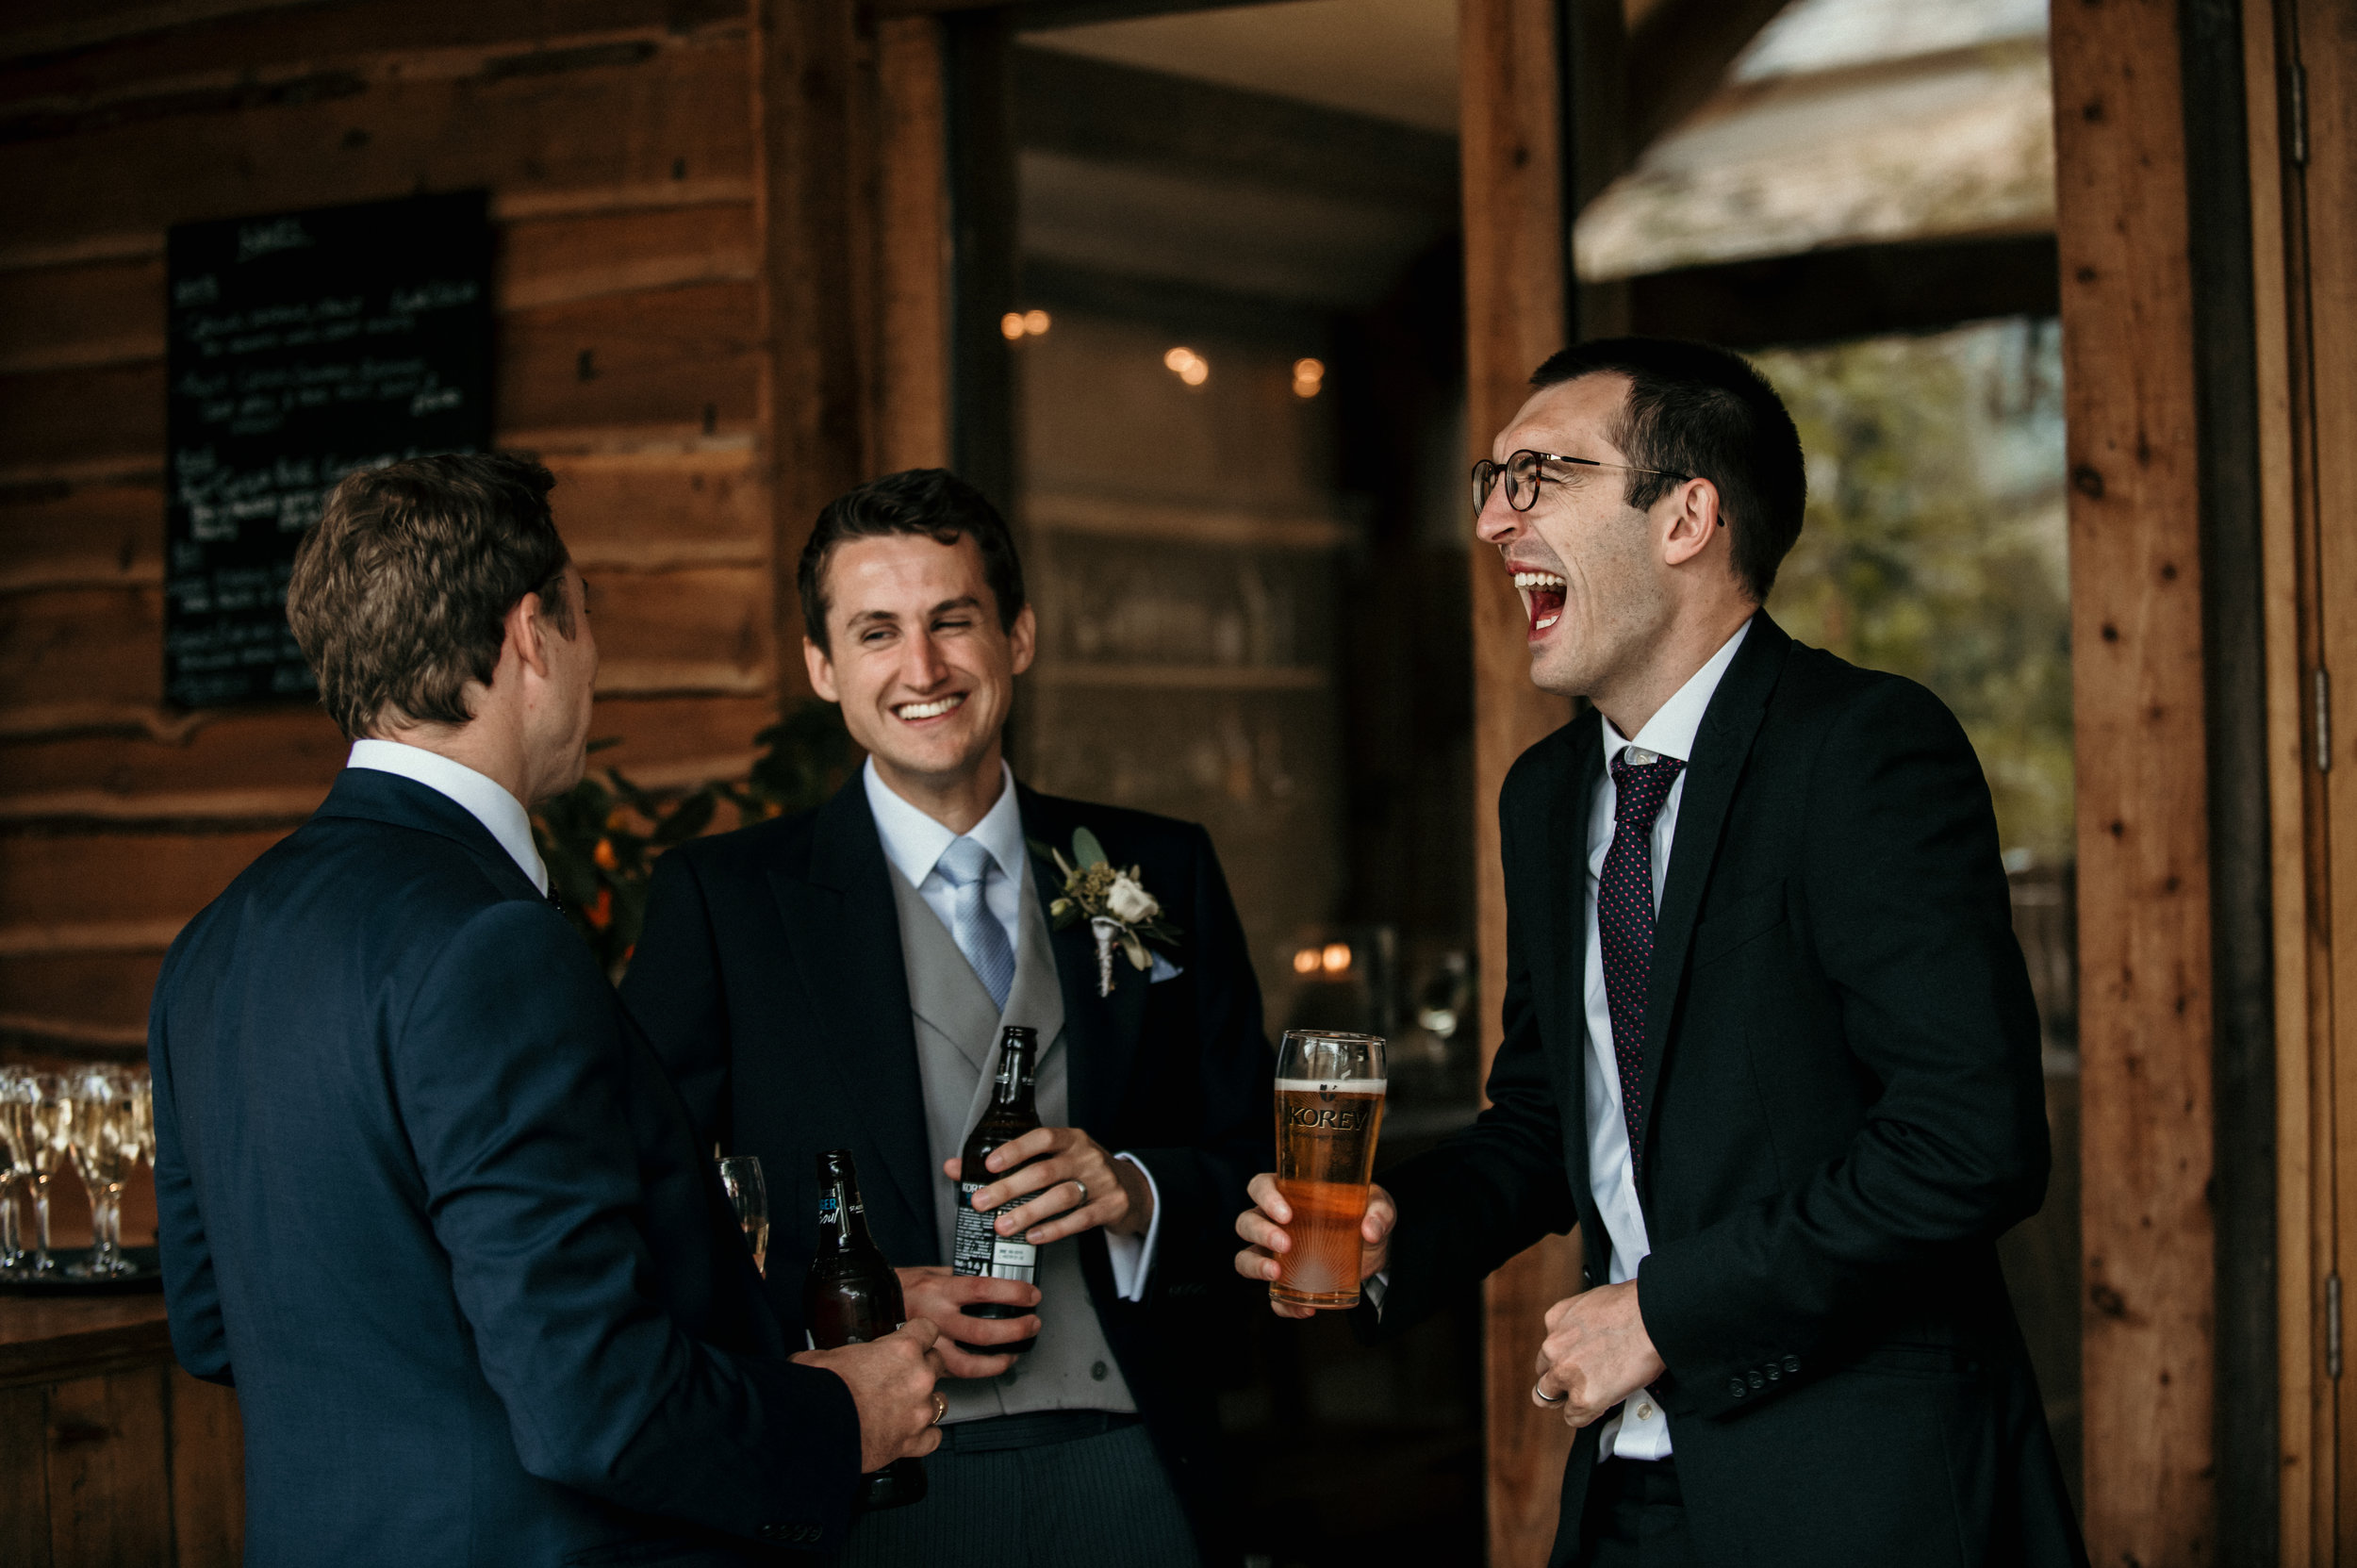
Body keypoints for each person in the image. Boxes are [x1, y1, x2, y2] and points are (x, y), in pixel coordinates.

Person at [1234, 339, 2086, 1566]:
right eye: (1490, 479)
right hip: (1625, 1491)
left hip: (1859, 1489)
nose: (1491, 519)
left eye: (1539, 475)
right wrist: (1393, 1224)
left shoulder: (1863, 750)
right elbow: (1542, 1121)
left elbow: (1970, 1143)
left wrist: (1665, 1311)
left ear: (1688, 514)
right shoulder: (1545, 794)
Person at [148, 454, 945, 1567]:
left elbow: (212, 1322)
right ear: (531, 631)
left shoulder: (212, 946)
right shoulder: (491, 942)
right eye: (585, 617)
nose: (592, 655)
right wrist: (841, 1416)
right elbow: (596, 1404)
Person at [621, 468, 1271, 1567]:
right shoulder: (724, 900)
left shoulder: (1159, 868)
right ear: (825, 667)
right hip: (874, 1478)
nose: (921, 669)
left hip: (1138, 1460)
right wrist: (838, 1299)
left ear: (1016, 635)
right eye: (876, 632)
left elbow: (1256, 1159)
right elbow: (647, 1198)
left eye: (952, 620)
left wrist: (1137, 1188)